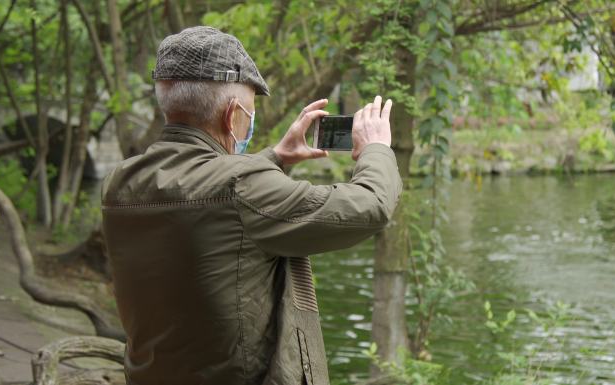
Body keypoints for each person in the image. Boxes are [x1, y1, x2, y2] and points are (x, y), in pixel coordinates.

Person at [101, 26, 402, 385]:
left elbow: (208, 192)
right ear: (232, 116)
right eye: (250, 112)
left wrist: (274, 157)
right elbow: (372, 206)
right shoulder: (243, 186)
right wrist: (376, 149)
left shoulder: (120, 183)